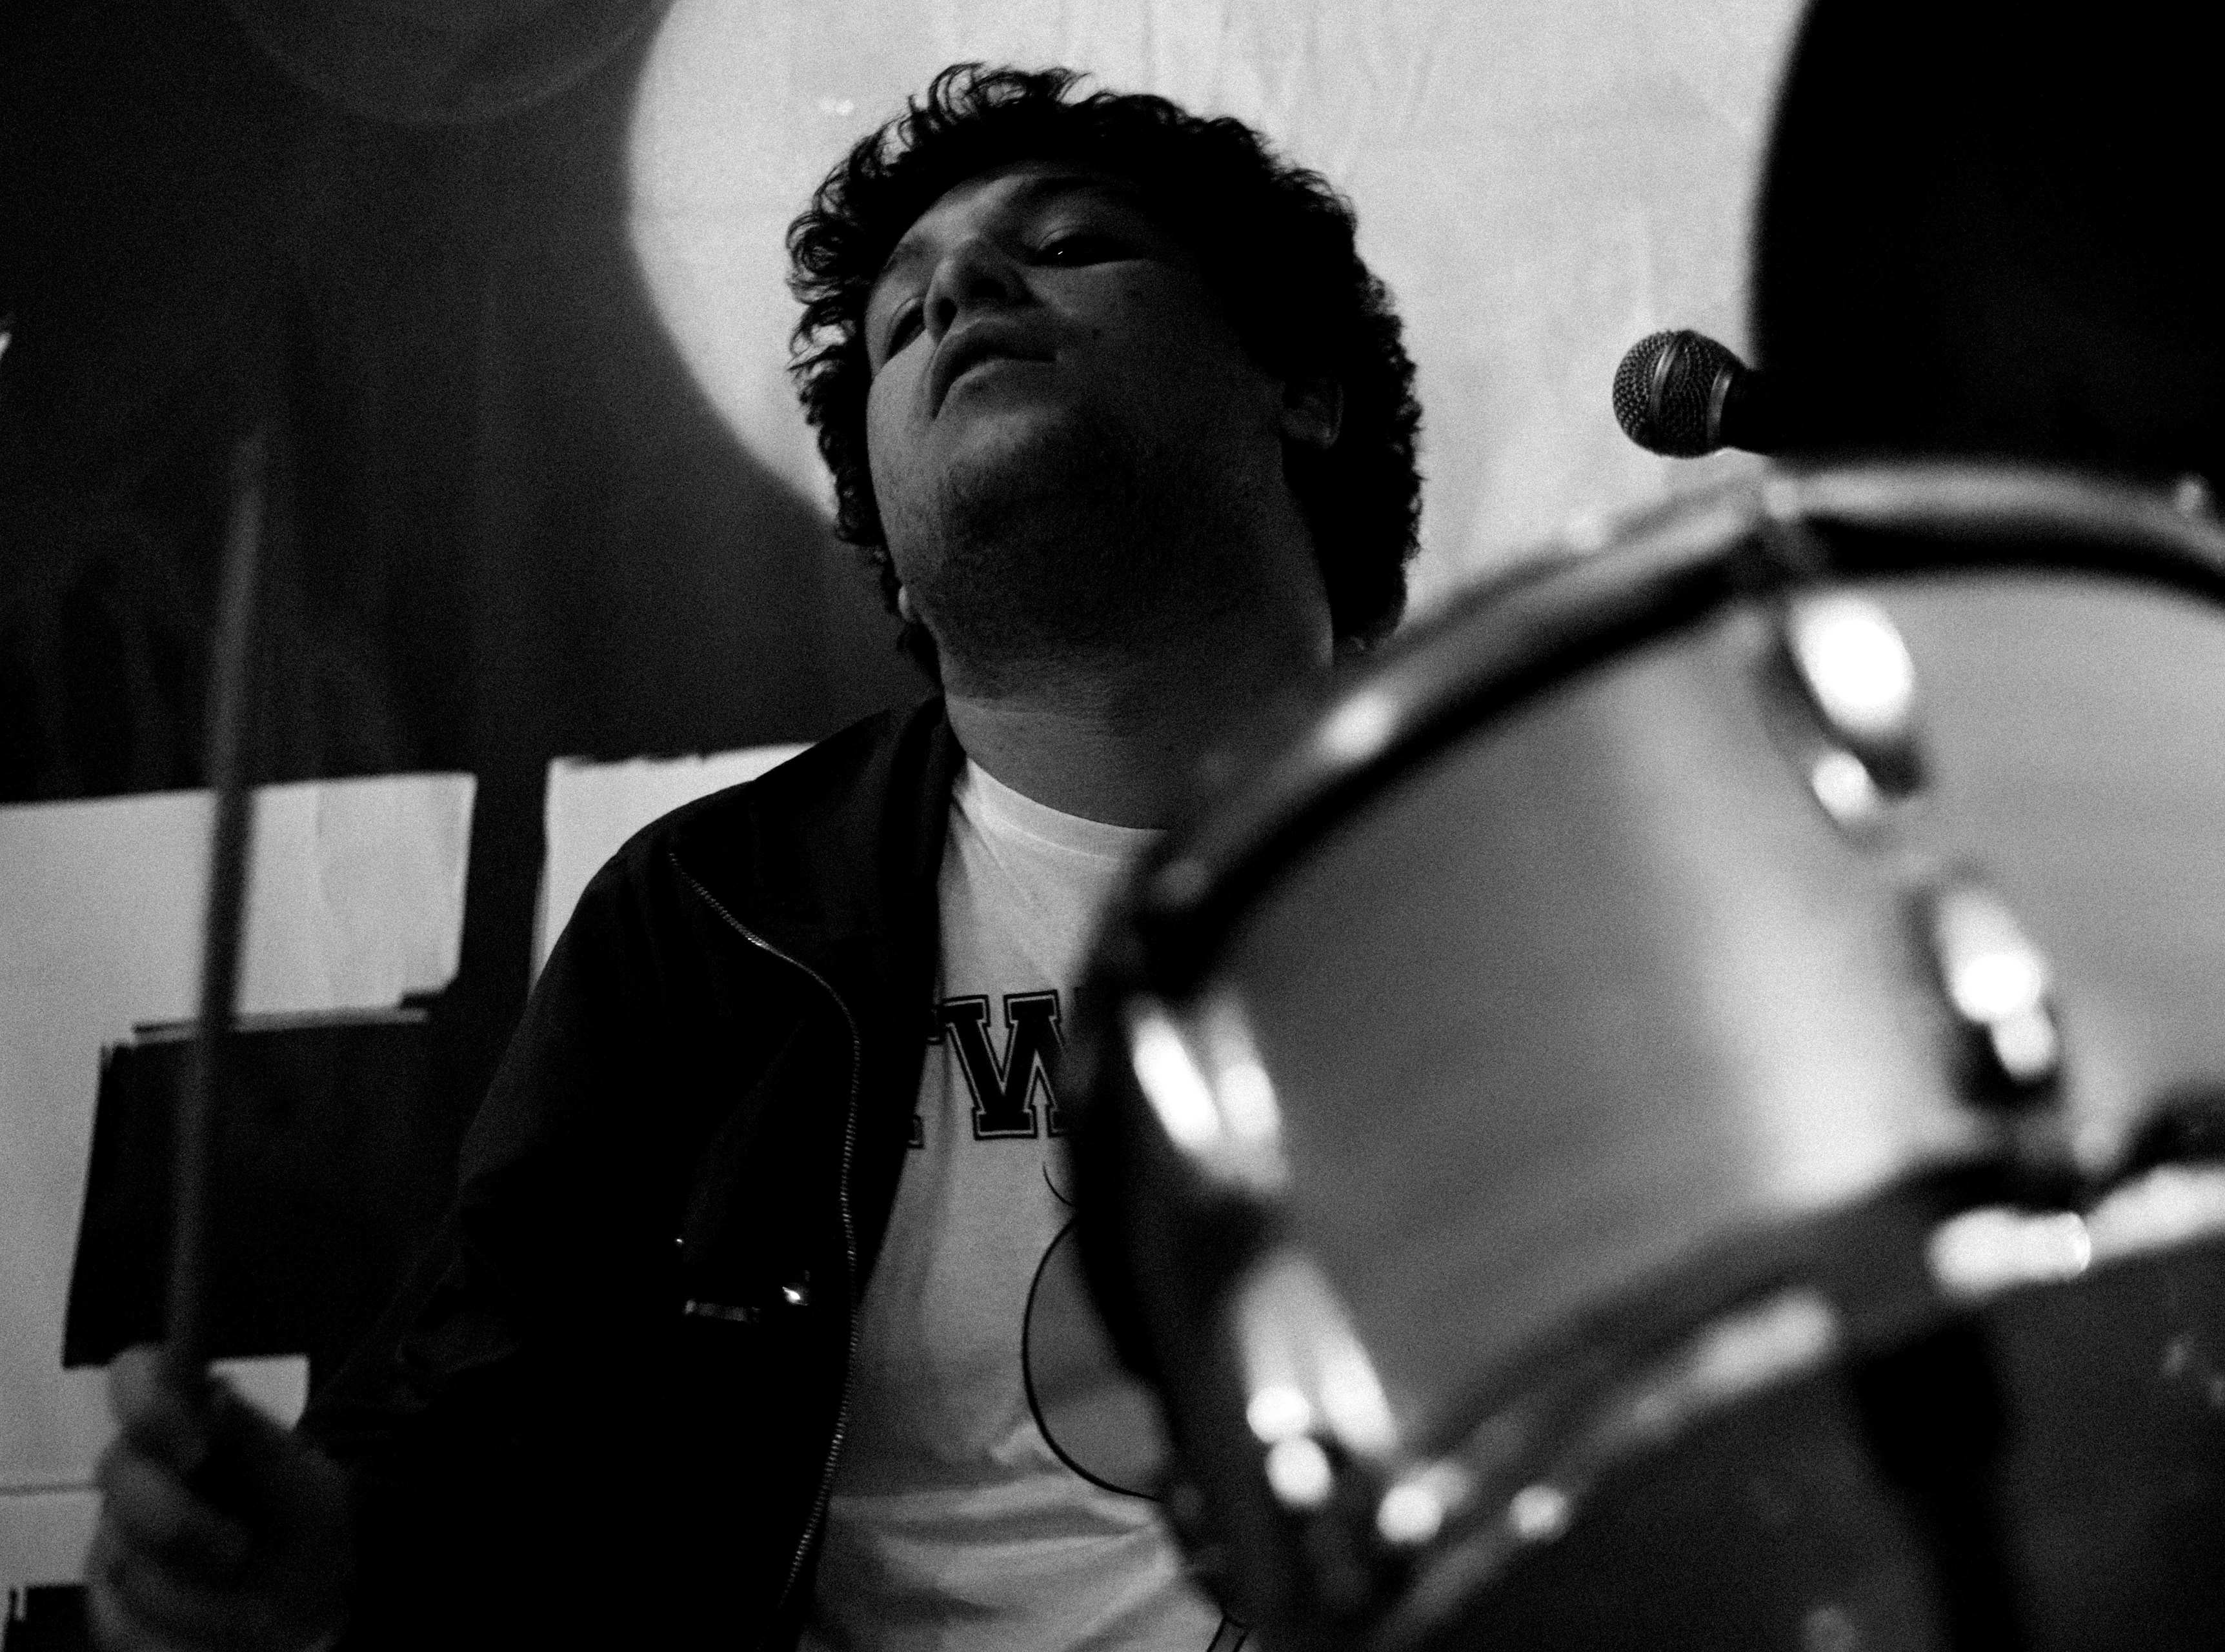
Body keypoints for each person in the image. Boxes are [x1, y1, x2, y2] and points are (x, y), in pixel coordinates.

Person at [81, 61, 1422, 1652]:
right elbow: (479, 1423)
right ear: (896, 567)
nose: (963, 295)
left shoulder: (1553, 832)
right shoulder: (718, 920)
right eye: (904, 319)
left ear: (1302, 388)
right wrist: (324, 1560)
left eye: (1070, 245)